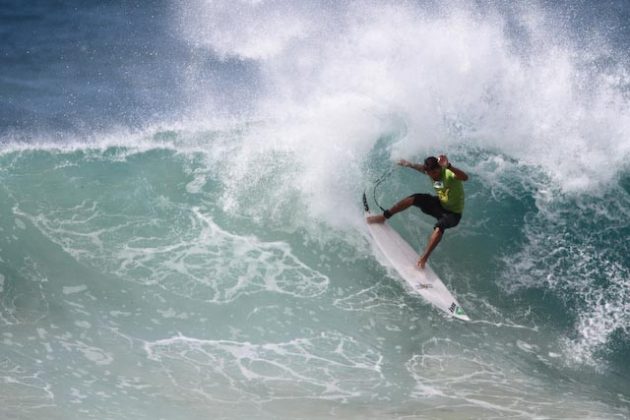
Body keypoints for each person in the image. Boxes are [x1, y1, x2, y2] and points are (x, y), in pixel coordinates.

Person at [367, 155, 468, 269]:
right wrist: (408, 163)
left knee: (439, 227)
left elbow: (465, 177)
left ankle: (424, 258)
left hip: (453, 214)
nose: (433, 176)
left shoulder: (448, 173)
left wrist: (449, 166)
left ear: (440, 168)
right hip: (439, 205)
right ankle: (383, 217)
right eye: (430, 173)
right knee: (414, 198)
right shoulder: (429, 172)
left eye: (435, 173)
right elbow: (421, 168)